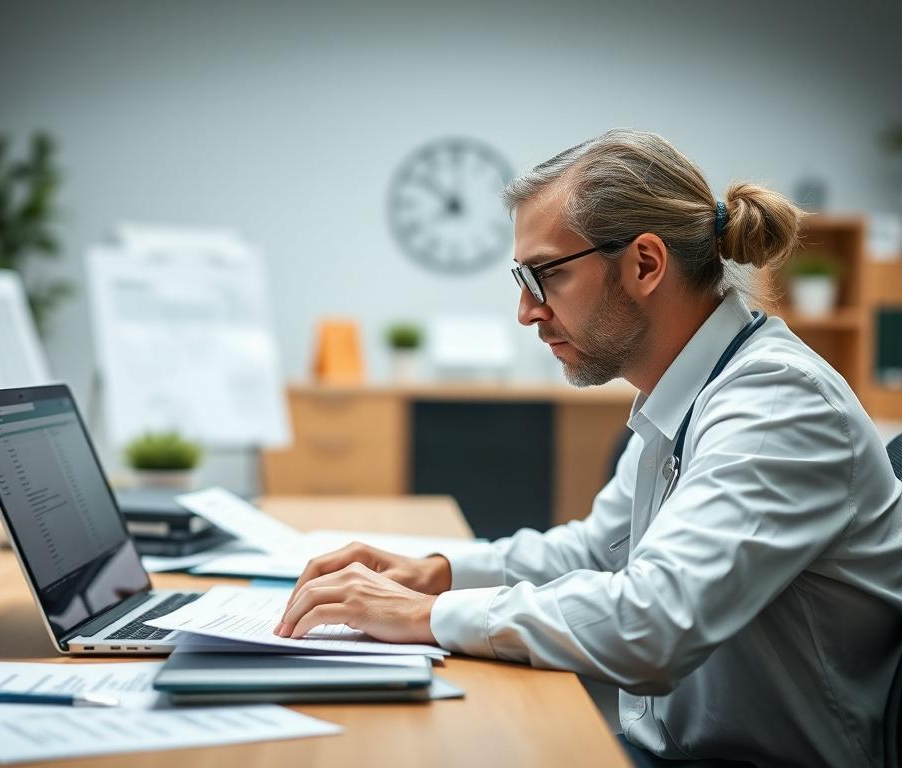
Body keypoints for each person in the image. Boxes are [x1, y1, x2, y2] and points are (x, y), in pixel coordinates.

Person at [275, 129, 902, 766]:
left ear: (646, 264)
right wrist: (436, 572)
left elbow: (653, 624)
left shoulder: (776, 403)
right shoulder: (689, 388)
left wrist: (428, 614)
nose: (526, 310)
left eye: (545, 275)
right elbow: (597, 552)